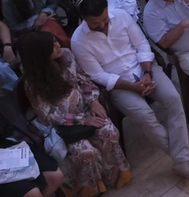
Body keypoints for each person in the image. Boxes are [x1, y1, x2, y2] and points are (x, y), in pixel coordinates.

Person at [70, 0, 189, 184]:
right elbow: (97, 75)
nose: (102, 26)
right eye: (95, 24)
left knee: (174, 99)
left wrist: (148, 73)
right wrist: (133, 87)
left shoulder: (121, 16)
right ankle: (182, 160)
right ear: (84, 20)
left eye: (104, 20)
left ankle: (181, 161)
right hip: (118, 84)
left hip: (143, 69)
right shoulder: (78, 40)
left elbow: (142, 45)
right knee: (145, 116)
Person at [16, 31, 131, 197]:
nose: (57, 46)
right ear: (41, 54)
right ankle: (90, 190)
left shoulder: (67, 56)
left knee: (109, 131)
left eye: (55, 41)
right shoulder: (32, 84)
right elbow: (48, 115)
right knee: (85, 152)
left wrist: (93, 101)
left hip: (85, 109)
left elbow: (84, 80)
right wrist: (84, 120)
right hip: (65, 126)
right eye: (52, 46)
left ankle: (114, 176)